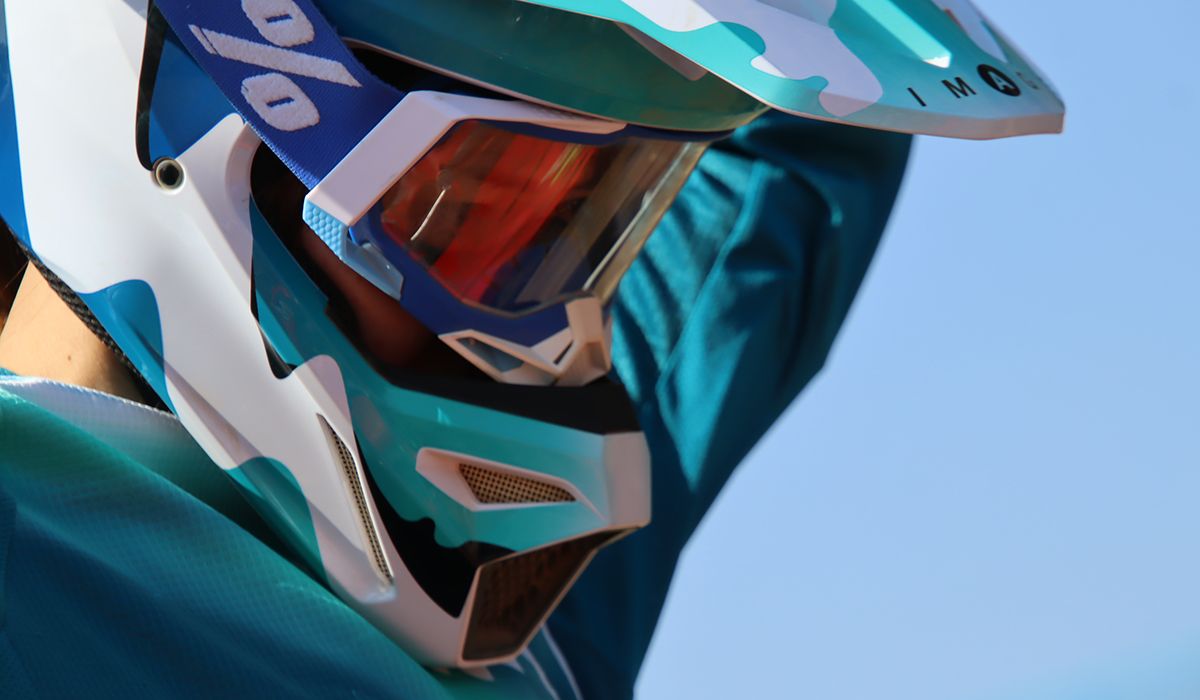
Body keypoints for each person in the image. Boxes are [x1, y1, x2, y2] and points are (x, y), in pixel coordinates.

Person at [0, 0, 1062, 697]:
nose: (552, 345)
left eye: (587, 224)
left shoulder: (503, 602)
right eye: (474, 216)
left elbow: (778, 162)